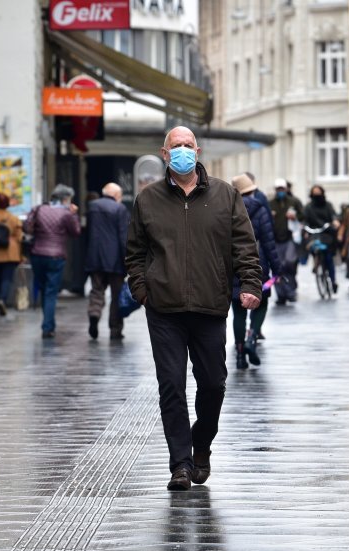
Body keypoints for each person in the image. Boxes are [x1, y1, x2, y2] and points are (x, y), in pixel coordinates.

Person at [126, 126, 263, 491]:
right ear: (165, 152)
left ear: (197, 151)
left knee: (214, 385)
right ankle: (181, 464)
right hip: (164, 308)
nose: (183, 151)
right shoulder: (148, 199)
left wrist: (250, 284)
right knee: (171, 386)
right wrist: (143, 290)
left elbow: (245, 246)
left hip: (209, 305)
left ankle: (201, 445)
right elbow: (135, 253)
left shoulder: (226, 195)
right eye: (177, 146)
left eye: (189, 145)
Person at [230, 174, 282, 369]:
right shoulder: (260, 210)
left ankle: (240, 354)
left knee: (238, 312)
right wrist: (277, 269)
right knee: (261, 304)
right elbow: (269, 243)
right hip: (258, 264)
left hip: (234, 266)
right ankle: (252, 337)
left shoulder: (228, 210)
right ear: (252, 191)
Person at [24, 183, 81, 339]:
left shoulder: (39, 208)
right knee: (51, 292)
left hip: (37, 254)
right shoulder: (66, 214)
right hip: (56, 256)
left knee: (44, 289)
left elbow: (27, 227)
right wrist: (74, 214)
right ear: (65, 199)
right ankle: (47, 327)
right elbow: (76, 232)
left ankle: (48, 323)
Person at [85, 182, 130, 340]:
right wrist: (128, 259)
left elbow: (88, 232)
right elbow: (123, 237)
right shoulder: (120, 209)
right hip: (115, 260)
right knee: (117, 295)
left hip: (95, 257)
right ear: (117, 195)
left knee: (97, 290)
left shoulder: (92, 207)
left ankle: (94, 314)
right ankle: (115, 329)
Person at [268, 177, 304, 304]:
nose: (280, 191)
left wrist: (295, 216)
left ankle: (291, 291)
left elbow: (303, 215)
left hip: (290, 238)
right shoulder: (270, 203)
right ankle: (281, 295)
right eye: (278, 189)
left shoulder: (294, 201)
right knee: (277, 266)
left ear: (286, 189)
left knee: (289, 263)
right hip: (275, 239)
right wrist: (269, 216)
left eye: (282, 189)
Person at [303, 185, 340, 293]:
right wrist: (304, 228)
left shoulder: (328, 205)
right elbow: (304, 219)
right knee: (312, 248)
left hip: (326, 232)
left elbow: (334, 215)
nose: (317, 195)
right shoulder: (308, 207)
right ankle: (317, 262)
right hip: (313, 233)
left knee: (329, 258)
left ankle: (333, 281)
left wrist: (335, 221)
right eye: (315, 193)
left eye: (318, 192)